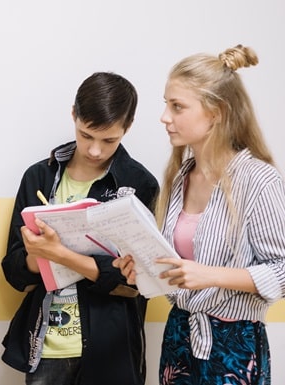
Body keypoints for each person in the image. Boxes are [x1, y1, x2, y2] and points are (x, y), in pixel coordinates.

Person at [115, 45, 285, 385]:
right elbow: (179, 270)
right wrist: (142, 270)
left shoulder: (259, 180)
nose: (165, 116)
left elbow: (281, 271)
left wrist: (210, 275)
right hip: (179, 338)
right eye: (166, 103)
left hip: (234, 345)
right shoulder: (180, 177)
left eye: (177, 106)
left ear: (217, 112)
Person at [0, 72, 160, 385]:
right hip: (46, 347)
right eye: (86, 135)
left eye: (109, 140)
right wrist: (37, 254)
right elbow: (13, 271)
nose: (96, 150)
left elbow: (135, 281)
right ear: (73, 115)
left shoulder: (138, 183)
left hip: (111, 348)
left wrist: (59, 253)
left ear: (127, 127)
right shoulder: (39, 177)